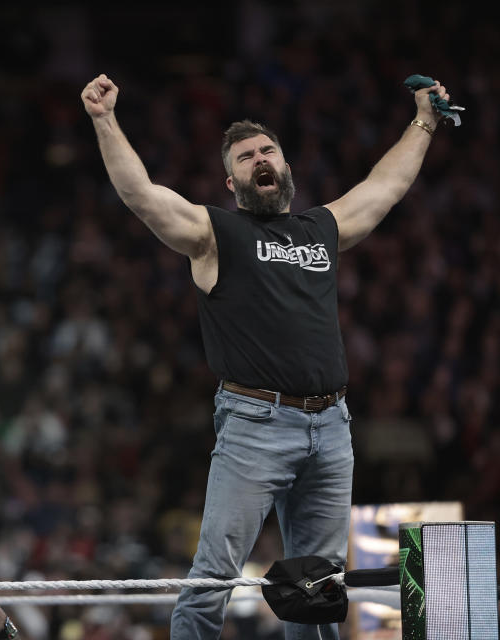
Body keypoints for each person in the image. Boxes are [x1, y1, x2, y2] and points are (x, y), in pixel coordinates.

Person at [80, 73, 451, 640]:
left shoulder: (319, 228)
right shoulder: (216, 233)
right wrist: (105, 121)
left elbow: (384, 187)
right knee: (212, 580)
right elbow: (142, 196)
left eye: (268, 150)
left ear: (285, 166)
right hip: (255, 425)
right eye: (246, 156)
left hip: (332, 425)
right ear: (230, 181)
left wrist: (424, 121)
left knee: (319, 586)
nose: (260, 159)